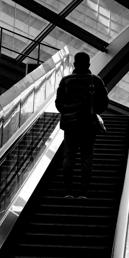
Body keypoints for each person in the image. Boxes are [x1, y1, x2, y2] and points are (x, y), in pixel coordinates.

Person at [55, 51, 109, 199]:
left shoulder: (65, 81)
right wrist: (94, 111)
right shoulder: (96, 80)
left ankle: (68, 191)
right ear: (88, 64)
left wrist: (67, 112)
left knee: (69, 156)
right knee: (87, 157)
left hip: (70, 125)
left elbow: (59, 103)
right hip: (88, 124)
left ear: (74, 64)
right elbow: (104, 101)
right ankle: (83, 192)